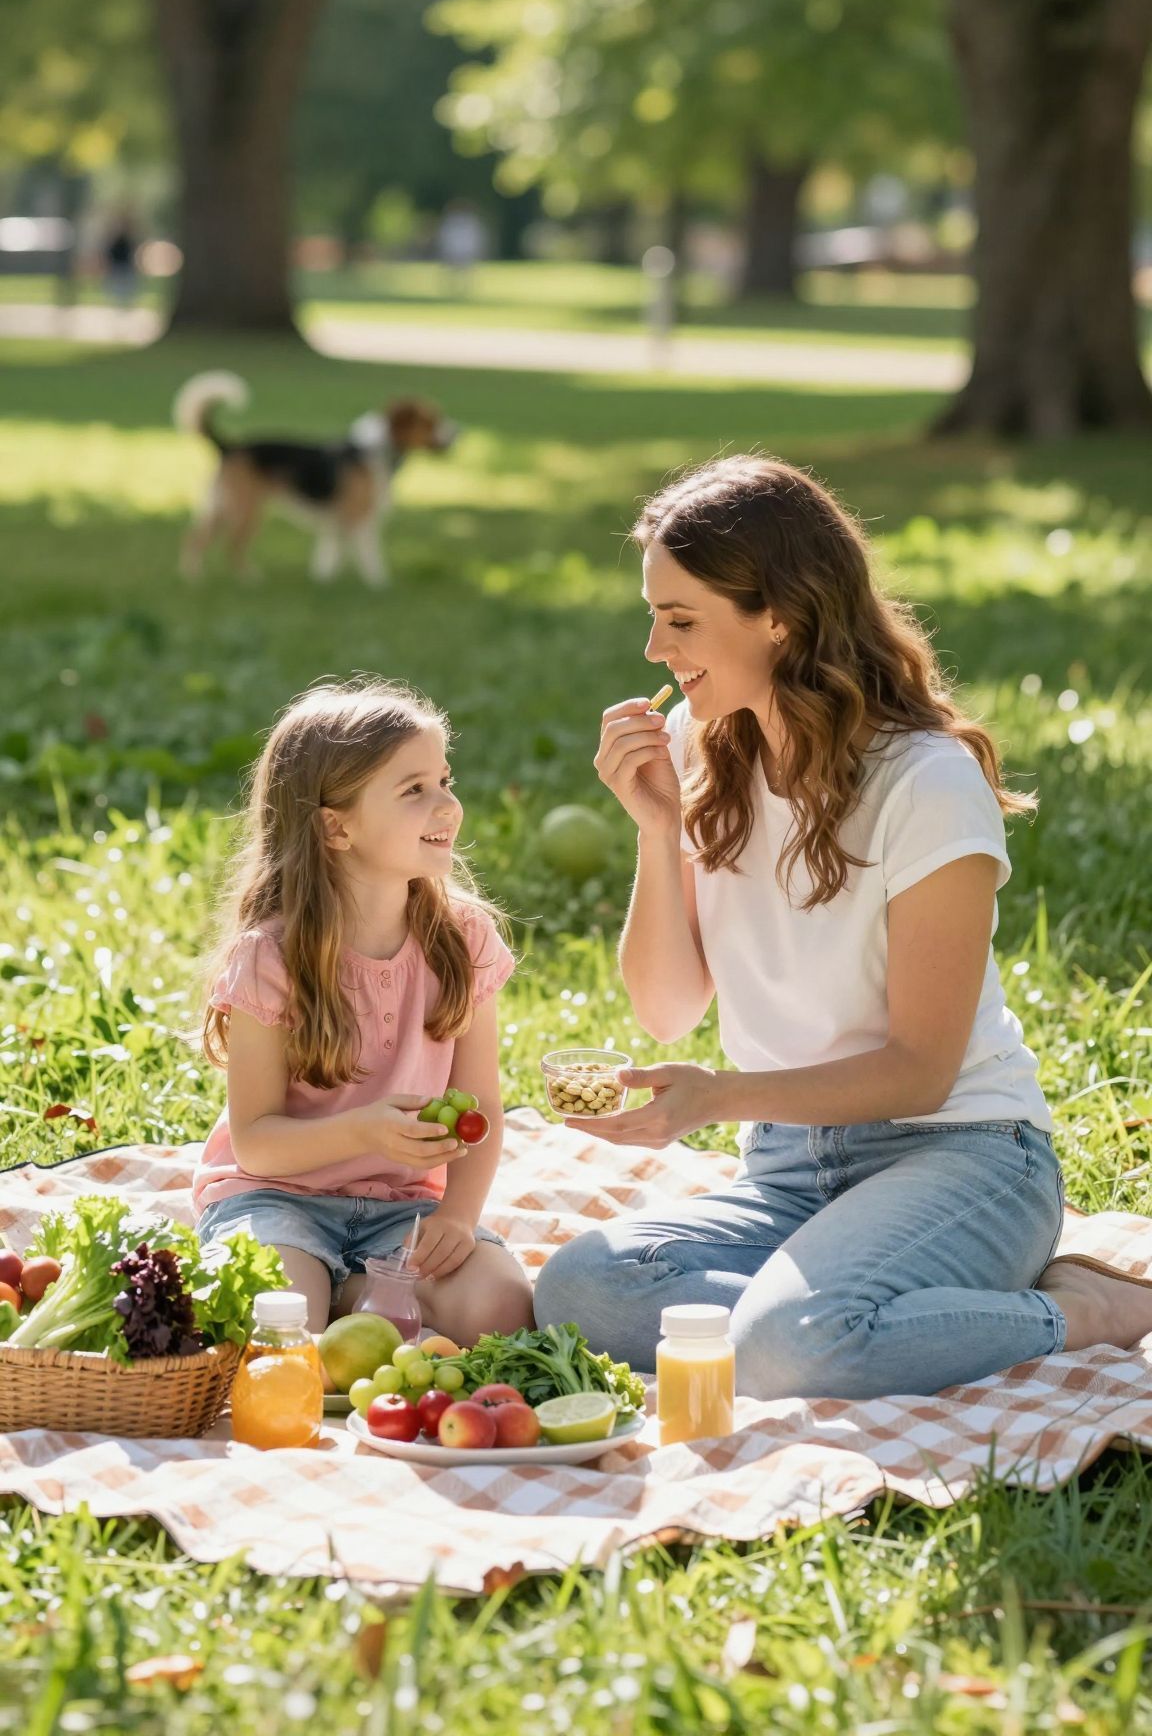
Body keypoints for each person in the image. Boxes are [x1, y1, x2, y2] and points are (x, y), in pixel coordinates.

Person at [533, 455, 1152, 1398]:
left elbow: (921, 1069)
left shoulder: (926, 783)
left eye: (682, 619)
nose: (656, 649)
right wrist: (658, 831)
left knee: (795, 1347)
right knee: (582, 1290)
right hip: (789, 1166)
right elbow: (664, 1010)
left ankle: (1085, 1310)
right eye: (653, 617)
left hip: (959, 1152)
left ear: (779, 616)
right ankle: (871, 1306)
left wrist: (717, 1098)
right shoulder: (711, 752)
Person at [193, 679, 532, 1345]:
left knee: (503, 1307)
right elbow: (258, 1139)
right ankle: (346, 1298)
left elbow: (482, 1111)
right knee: (275, 1324)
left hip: (403, 1210)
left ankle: (353, 1294)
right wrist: (364, 1133)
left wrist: (459, 1218)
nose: (449, 805)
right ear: (335, 825)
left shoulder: (463, 941)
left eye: (444, 779)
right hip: (275, 1200)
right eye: (415, 790)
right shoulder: (272, 958)